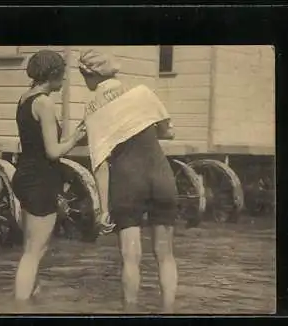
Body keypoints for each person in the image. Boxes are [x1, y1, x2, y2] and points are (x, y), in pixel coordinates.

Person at [78, 49, 178, 313]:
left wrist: (104, 210)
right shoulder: (143, 93)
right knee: (165, 255)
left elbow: (100, 164)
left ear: (89, 76)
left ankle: (130, 313)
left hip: (128, 181)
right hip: (161, 176)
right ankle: (169, 311)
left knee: (130, 259)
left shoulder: (93, 111)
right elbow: (167, 131)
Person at [12, 50, 86, 304]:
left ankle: (33, 302)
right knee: (34, 252)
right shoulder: (45, 103)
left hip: (24, 175)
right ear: (53, 75)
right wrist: (76, 138)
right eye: (63, 75)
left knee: (31, 250)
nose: (64, 81)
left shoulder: (24, 98)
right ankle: (19, 309)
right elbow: (53, 152)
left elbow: (38, 145)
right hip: (41, 180)